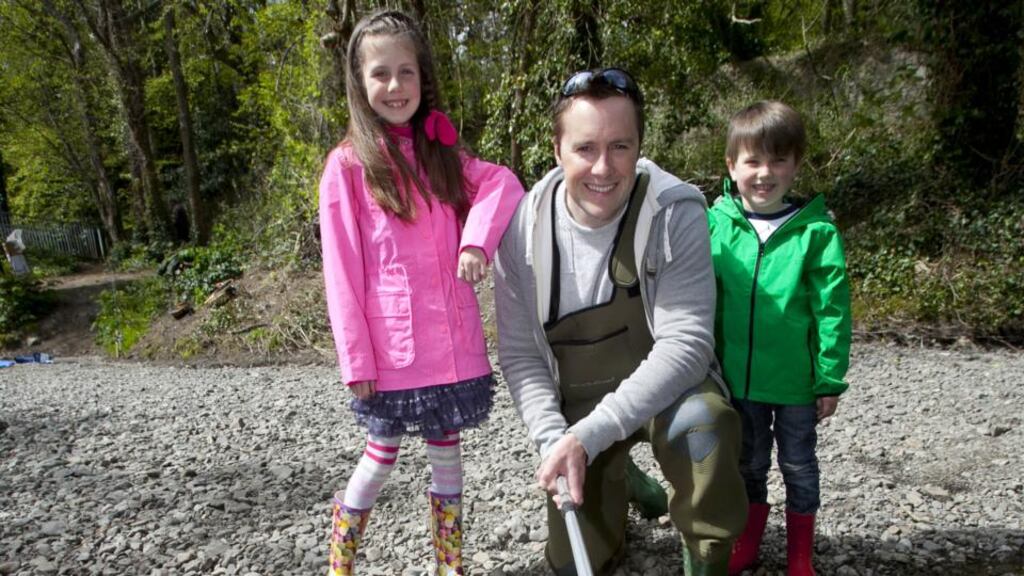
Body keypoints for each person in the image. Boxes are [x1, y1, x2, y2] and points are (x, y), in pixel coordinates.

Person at [494, 67, 747, 575]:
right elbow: (522, 356)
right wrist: (555, 443)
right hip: (578, 400)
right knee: (574, 564)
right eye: (585, 148)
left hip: (668, 389)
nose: (603, 168)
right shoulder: (519, 230)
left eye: (621, 147)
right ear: (557, 149)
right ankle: (623, 477)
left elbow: (688, 344)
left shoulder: (675, 210)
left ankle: (706, 557)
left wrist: (591, 435)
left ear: (639, 147)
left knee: (706, 429)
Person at [318, 10, 523, 576]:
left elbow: (502, 182)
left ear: (423, 77)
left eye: (406, 72)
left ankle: (449, 567)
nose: (394, 86)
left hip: (449, 346)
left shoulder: (443, 159)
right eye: (380, 73)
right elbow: (342, 272)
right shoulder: (348, 166)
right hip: (391, 356)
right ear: (360, 84)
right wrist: (355, 359)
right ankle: (340, 565)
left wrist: (476, 242)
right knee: (379, 455)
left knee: (448, 458)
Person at [708, 101, 852, 576]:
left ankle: (799, 556)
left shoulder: (816, 232)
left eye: (778, 161)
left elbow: (831, 310)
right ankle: (747, 544)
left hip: (795, 384)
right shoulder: (715, 224)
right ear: (731, 165)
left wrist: (829, 378)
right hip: (738, 381)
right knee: (748, 466)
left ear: (796, 165)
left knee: (798, 467)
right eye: (752, 161)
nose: (764, 173)